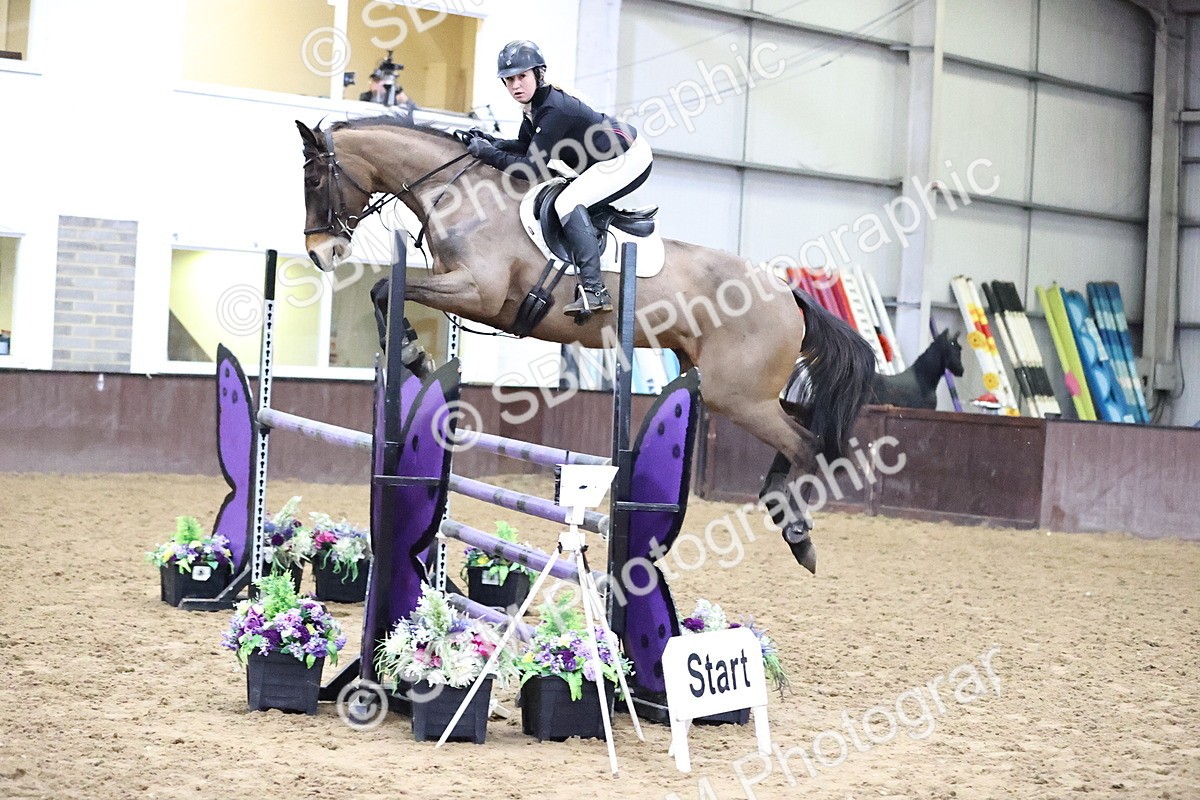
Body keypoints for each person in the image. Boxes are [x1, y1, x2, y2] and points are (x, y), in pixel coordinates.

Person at [466, 40, 652, 318]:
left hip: (628, 158)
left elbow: (530, 167)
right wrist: (490, 142)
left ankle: (595, 291)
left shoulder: (553, 109)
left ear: (538, 74)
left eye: (521, 76)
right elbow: (524, 146)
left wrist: (488, 155)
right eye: (509, 80)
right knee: (568, 199)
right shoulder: (534, 107)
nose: (515, 85)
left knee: (566, 203)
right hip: (608, 158)